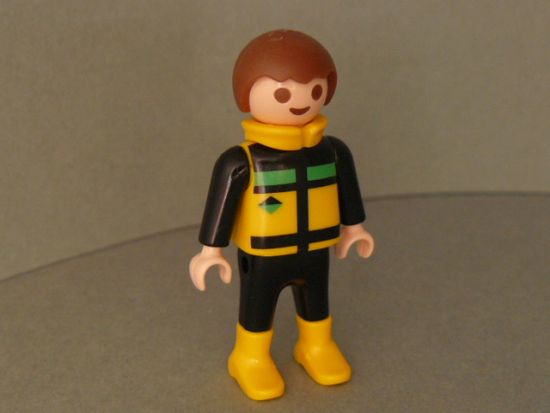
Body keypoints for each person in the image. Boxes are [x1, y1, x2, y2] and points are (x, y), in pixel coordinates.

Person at [189, 29, 374, 401]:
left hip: (315, 248)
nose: (301, 102)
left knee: (316, 300)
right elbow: (221, 203)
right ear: (247, 95)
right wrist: (210, 250)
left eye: (314, 90)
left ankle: (316, 346)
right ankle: (249, 356)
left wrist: (355, 228)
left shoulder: (333, 152)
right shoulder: (242, 160)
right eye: (283, 94)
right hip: (264, 256)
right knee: (258, 305)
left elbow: (347, 192)